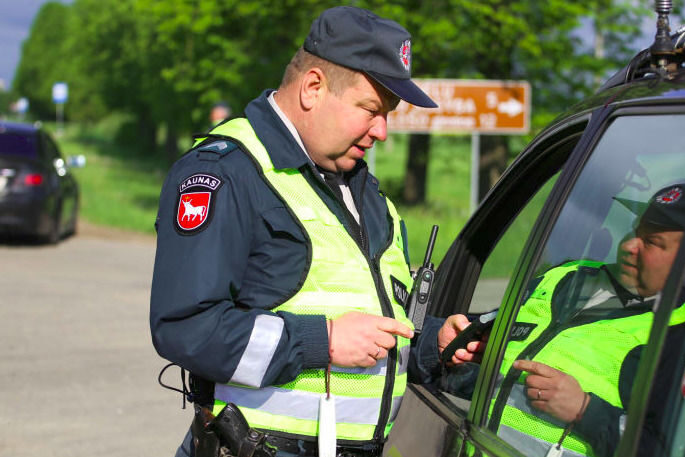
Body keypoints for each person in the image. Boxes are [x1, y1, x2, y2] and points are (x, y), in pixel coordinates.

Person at [149, 6, 474, 457]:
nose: (381, 130)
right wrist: (322, 341)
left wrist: (430, 345)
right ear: (313, 88)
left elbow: (368, 322)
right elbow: (186, 328)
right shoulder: (227, 172)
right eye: (370, 109)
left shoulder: (364, 191)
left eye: (388, 113)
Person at [487, 183, 685, 457]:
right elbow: (487, 330)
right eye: (635, 231)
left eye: (652, 242)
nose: (630, 245)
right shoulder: (565, 276)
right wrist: (448, 342)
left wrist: (585, 410)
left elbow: (662, 449)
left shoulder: (674, 342)